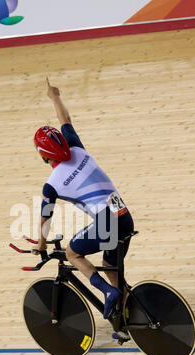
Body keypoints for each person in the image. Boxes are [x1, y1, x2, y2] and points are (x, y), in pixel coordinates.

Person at [33, 79, 134, 337]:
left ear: (44, 156)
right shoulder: (76, 146)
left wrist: (42, 244)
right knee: (111, 265)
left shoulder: (52, 185)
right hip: (124, 216)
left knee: (72, 253)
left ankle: (108, 292)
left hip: (107, 223)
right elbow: (64, 118)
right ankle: (123, 323)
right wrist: (54, 96)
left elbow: (46, 219)